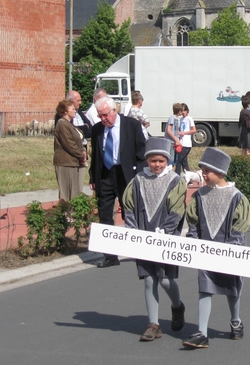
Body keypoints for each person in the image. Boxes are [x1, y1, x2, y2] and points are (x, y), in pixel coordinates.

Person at [183, 148, 250, 349]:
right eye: (202, 170)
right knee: (205, 288)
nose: (203, 174)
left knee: (232, 288)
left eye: (207, 171)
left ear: (220, 171)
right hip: (206, 250)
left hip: (229, 251)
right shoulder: (199, 195)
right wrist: (194, 240)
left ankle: (236, 321)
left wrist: (231, 249)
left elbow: (240, 228)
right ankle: (202, 333)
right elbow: (194, 222)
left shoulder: (237, 197)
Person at [122, 137, 187, 342]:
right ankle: (154, 324)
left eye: (161, 161)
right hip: (143, 237)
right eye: (153, 161)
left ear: (167, 161)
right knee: (149, 280)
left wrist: (165, 232)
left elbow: (177, 210)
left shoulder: (175, 181)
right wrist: (133, 229)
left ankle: (177, 306)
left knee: (166, 280)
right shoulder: (138, 180)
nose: (157, 164)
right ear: (147, 160)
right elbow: (129, 206)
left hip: (165, 239)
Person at [89, 96, 146, 268]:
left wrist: (139, 176)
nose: (103, 119)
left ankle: (139, 251)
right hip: (106, 174)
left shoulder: (132, 125)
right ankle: (110, 256)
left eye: (105, 115)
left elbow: (142, 153)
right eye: (100, 116)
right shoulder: (97, 129)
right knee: (105, 214)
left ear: (114, 111)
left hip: (126, 173)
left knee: (131, 213)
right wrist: (93, 178)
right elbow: (96, 155)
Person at [53, 100, 86, 201]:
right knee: (66, 193)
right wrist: (81, 154)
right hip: (65, 163)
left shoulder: (69, 124)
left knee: (74, 192)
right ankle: (66, 215)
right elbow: (69, 144)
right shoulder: (62, 124)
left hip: (73, 162)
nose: (75, 111)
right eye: (72, 109)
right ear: (65, 111)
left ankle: (72, 215)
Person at [176, 103, 196, 175]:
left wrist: (184, 133)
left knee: (179, 160)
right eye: (181, 111)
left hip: (186, 143)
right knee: (184, 161)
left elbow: (194, 130)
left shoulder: (189, 119)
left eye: (184, 111)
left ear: (187, 111)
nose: (183, 112)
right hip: (181, 142)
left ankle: (177, 176)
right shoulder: (181, 119)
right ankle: (189, 178)